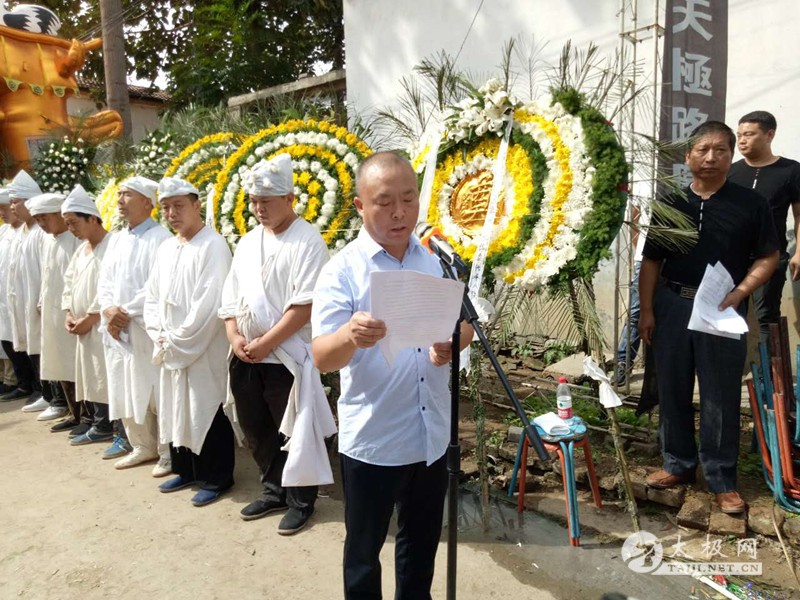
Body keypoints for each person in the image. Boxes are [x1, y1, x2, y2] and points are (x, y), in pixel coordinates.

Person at [311, 152, 473, 599]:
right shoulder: (341, 270)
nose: (399, 212)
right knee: (364, 552)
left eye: (408, 198)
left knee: (420, 546)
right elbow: (322, 356)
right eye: (384, 202)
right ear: (361, 206)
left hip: (431, 433)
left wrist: (452, 344)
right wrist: (351, 335)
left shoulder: (436, 259)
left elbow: (465, 326)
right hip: (374, 440)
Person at [639, 121, 779, 514]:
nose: (711, 157)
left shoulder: (750, 204)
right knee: (672, 386)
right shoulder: (671, 204)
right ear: (688, 156)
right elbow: (651, 260)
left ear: (731, 155)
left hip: (722, 309)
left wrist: (739, 292)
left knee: (719, 393)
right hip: (673, 305)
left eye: (720, 150)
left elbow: (769, 256)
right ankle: (678, 464)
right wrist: (647, 310)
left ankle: (721, 478)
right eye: (702, 150)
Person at [219, 153, 333, 534]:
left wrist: (267, 342)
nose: (259, 208)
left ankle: (301, 500)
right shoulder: (249, 242)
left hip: (286, 355)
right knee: (257, 427)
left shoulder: (308, 240)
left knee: (294, 430)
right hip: (248, 355)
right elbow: (231, 298)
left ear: (290, 199)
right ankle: (273, 489)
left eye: (267, 200)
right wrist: (235, 336)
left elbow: (305, 305)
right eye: (254, 201)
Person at [144, 177, 235, 507]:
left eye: (179, 205)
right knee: (176, 407)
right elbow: (152, 298)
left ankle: (217, 477)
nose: (171, 213)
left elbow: (209, 304)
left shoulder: (213, 245)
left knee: (205, 408)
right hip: (170, 344)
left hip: (201, 346)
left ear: (196, 205)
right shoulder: (167, 248)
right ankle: (187, 469)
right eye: (166, 207)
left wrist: (179, 339)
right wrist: (160, 334)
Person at [97, 176, 172, 473]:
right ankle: (142, 445)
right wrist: (107, 311)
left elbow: (158, 287)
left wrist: (124, 313)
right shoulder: (117, 239)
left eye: (126, 195)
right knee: (125, 387)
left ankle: (167, 450)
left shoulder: (161, 239)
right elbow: (104, 282)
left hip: (145, 328)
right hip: (117, 332)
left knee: (156, 391)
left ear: (146, 202)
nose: (119, 201)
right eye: (119, 195)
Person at [727, 110, 800, 345]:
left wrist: (799, 251)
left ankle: (768, 378)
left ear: (769, 135)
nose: (742, 140)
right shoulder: (731, 170)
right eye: (739, 135)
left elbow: (799, 214)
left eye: (749, 134)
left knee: (766, 316)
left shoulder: (790, 170)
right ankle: (734, 372)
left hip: (770, 256)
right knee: (730, 314)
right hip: (732, 258)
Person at [61, 186, 124, 454]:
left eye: (74, 223)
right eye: (67, 225)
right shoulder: (81, 250)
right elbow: (69, 283)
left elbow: (112, 287)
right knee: (93, 377)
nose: (71, 229)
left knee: (110, 378)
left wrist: (92, 316)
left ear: (92, 218)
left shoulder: (113, 245)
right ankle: (100, 424)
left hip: (103, 326)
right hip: (83, 327)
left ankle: (121, 431)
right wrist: (69, 313)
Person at [31, 192, 81, 425]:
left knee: (75, 364)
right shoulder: (49, 241)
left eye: (45, 217)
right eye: (38, 218)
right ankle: (72, 412)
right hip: (52, 313)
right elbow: (47, 276)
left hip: (71, 314)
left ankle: (87, 416)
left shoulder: (74, 240)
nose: (41, 223)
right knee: (59, 362)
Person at [5, 172, 47, 411]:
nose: (12, 207)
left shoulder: (40, 233)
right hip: (21, 299)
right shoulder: (22, 232)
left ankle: (48, 393)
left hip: (36, 301)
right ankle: (42, 389)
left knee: (41, 344)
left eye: (15, 201)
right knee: (29, 344)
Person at [0, 187, 30, 402]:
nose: (4, 212)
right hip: (5, 299)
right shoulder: (4, 232)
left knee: (26, 343)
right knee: (8, 341)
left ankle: (32, 384)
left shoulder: (27, 232)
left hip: (21, 297)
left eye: (7, 207)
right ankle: (22, 382)